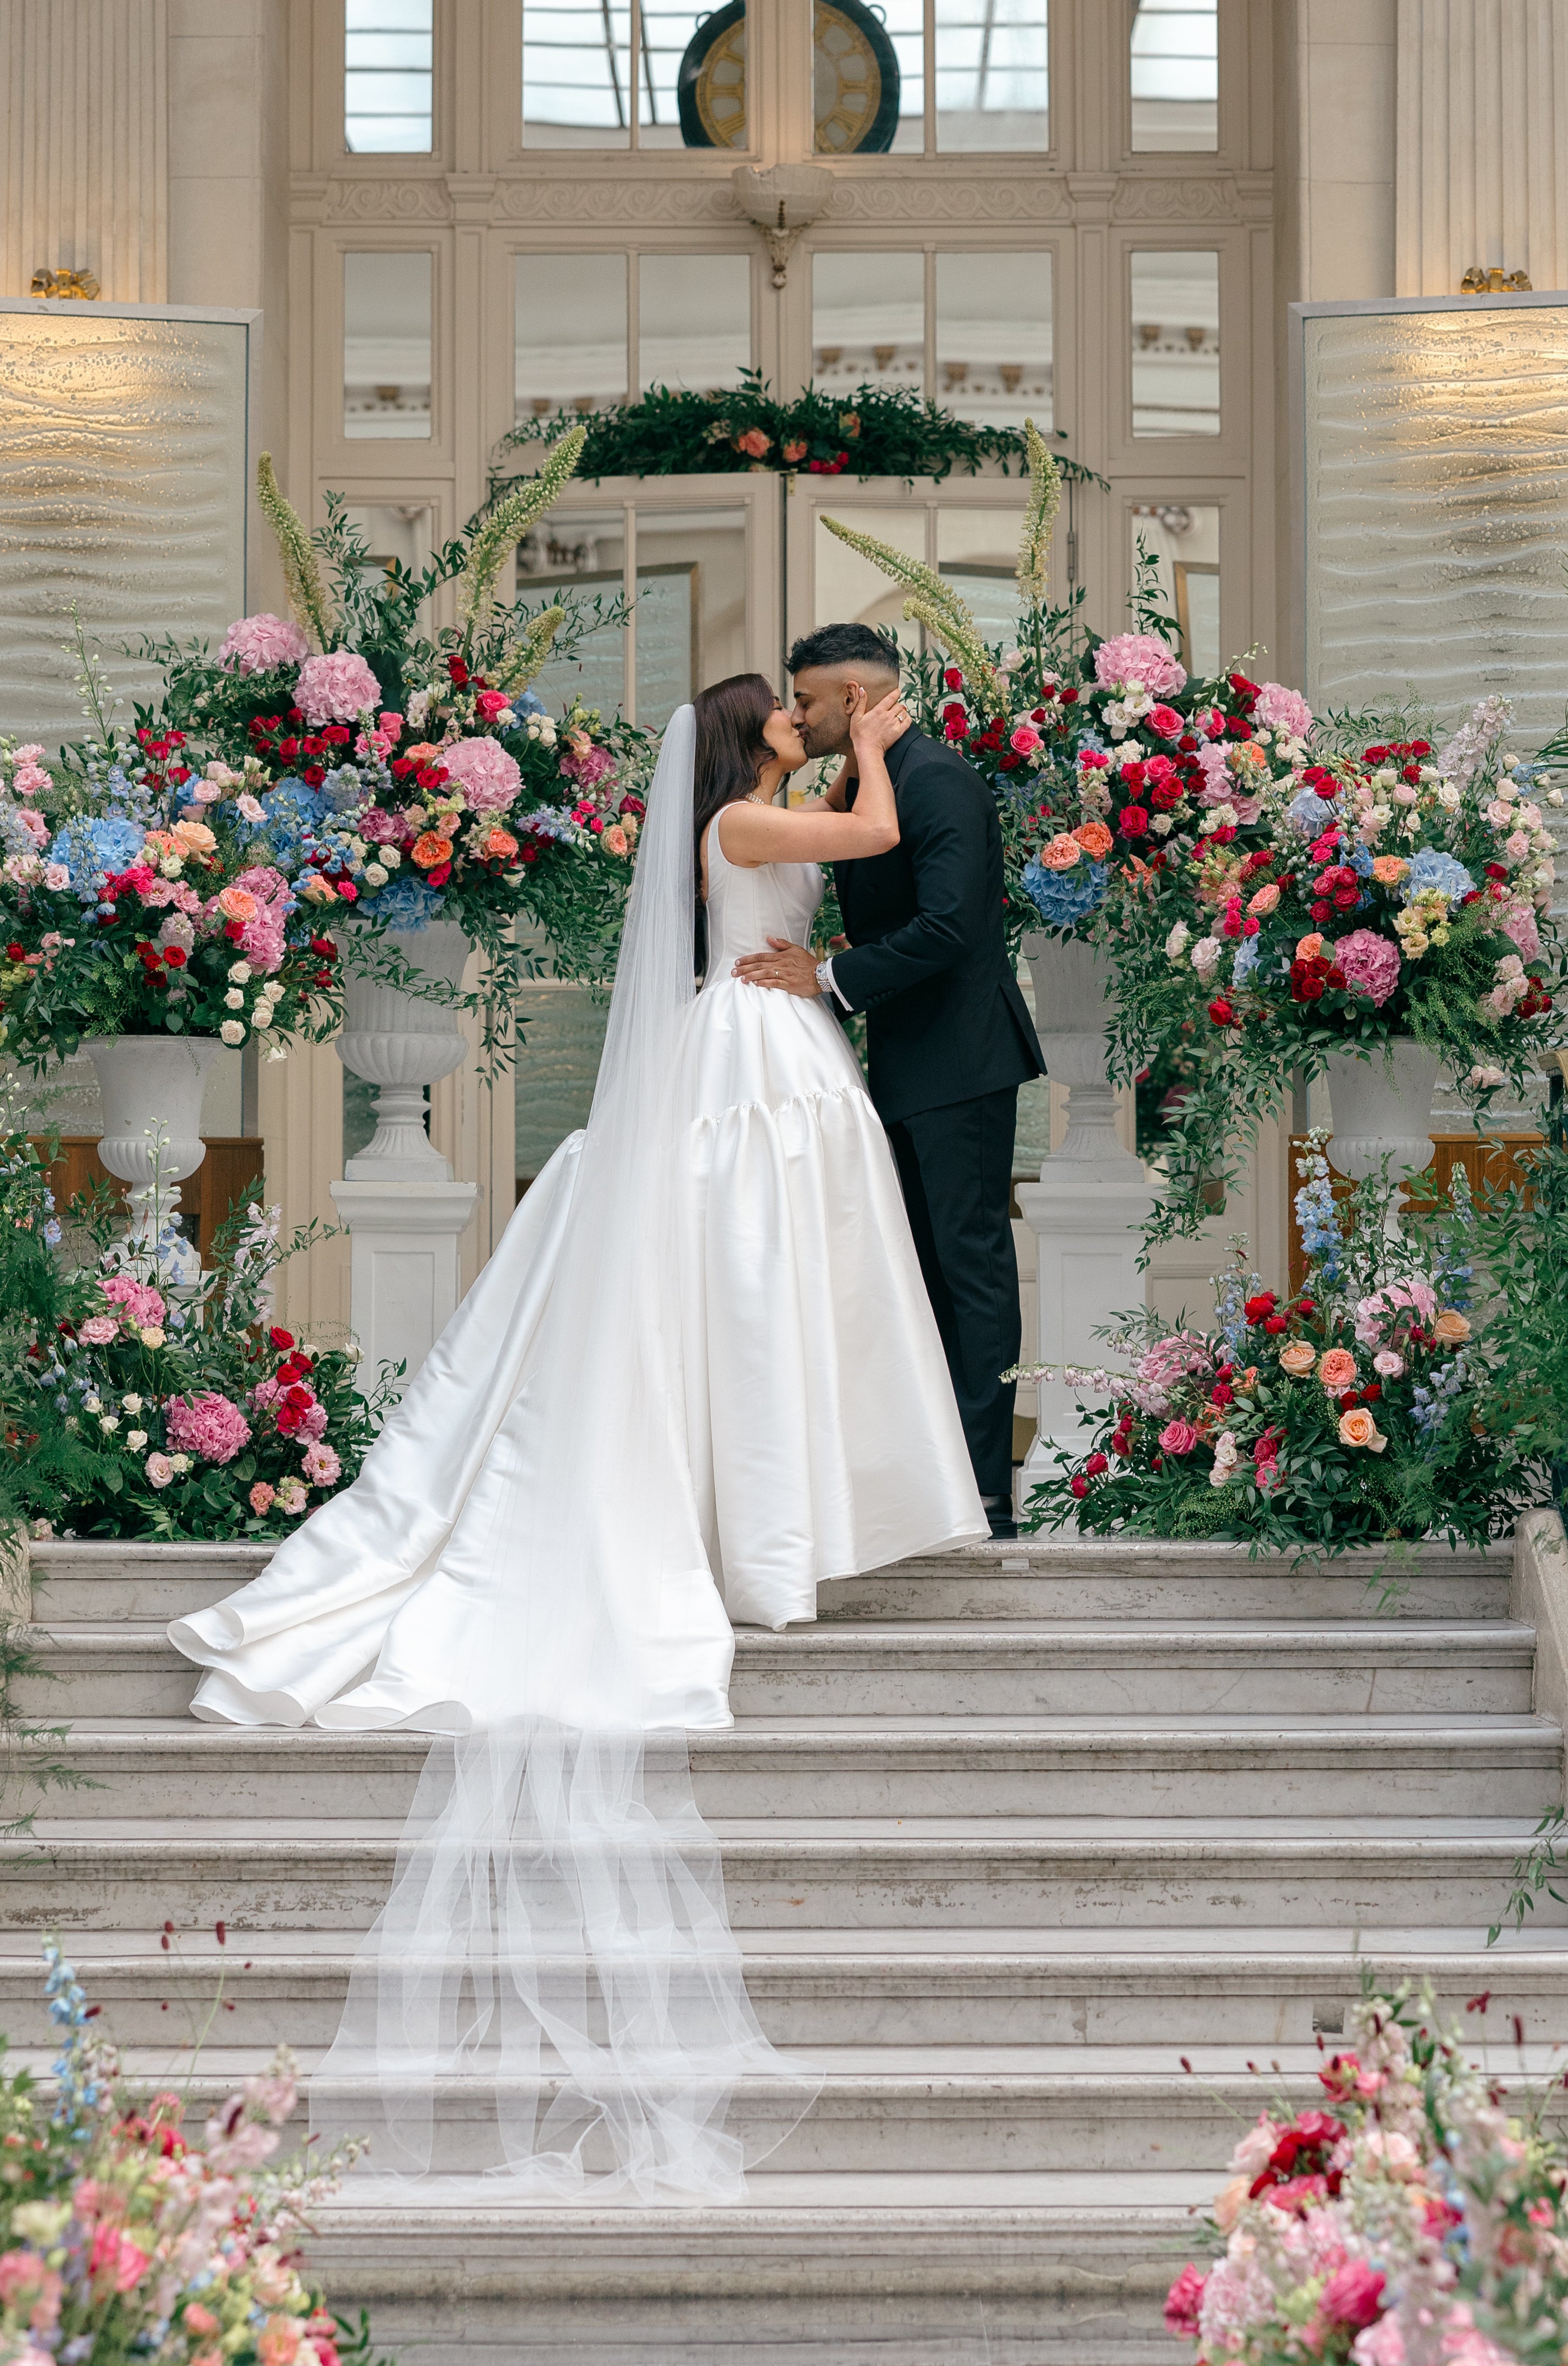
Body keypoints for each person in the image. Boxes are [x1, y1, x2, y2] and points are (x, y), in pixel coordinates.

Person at [165, 683, 985, 2196]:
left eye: (824, 709)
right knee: (741, 1274)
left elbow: (861, 860)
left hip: (784, 1022)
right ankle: (740, 1526)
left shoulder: (748, 818)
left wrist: (839, 945)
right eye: (792, 714)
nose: (811, 717)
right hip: (750, 1036)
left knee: (785, 1280)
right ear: (752, 747)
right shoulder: (742, 812)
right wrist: (879, 743)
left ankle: (783, 1506)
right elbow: (867, 824)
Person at [735, 622, 1044, 1543]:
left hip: (960, 1065)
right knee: (922, 1272)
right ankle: (937, 1478)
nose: (794, 714)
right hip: (909, 1063)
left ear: (855, 700)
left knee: (970, 1272)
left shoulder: (937, 780)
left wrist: (828, 980)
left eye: (805, 700)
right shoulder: (882, 776)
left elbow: (950, 927)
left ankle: (989, 1490)